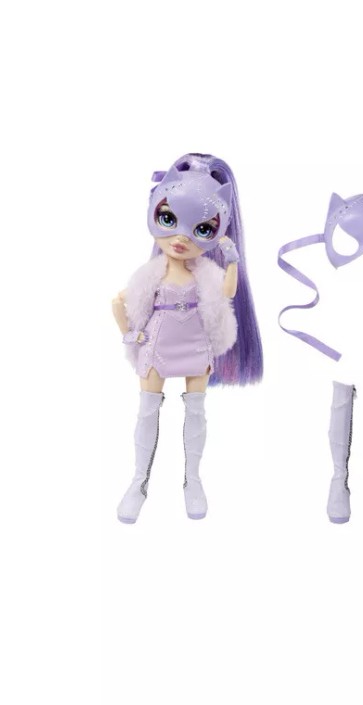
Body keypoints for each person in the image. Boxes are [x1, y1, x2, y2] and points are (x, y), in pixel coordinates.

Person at [112, 153, 262, 523]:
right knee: (148, 408)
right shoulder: (152, 273)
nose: (181, 237)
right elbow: (118, 302)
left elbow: (227, 292)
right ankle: (139, 481)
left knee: (196, 409)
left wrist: (232, 260)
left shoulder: (206, 273)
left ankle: (192, 480)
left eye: (202, 229)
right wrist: (130, 335)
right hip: (157, 345)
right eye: (168, 219)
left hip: (196, 344)